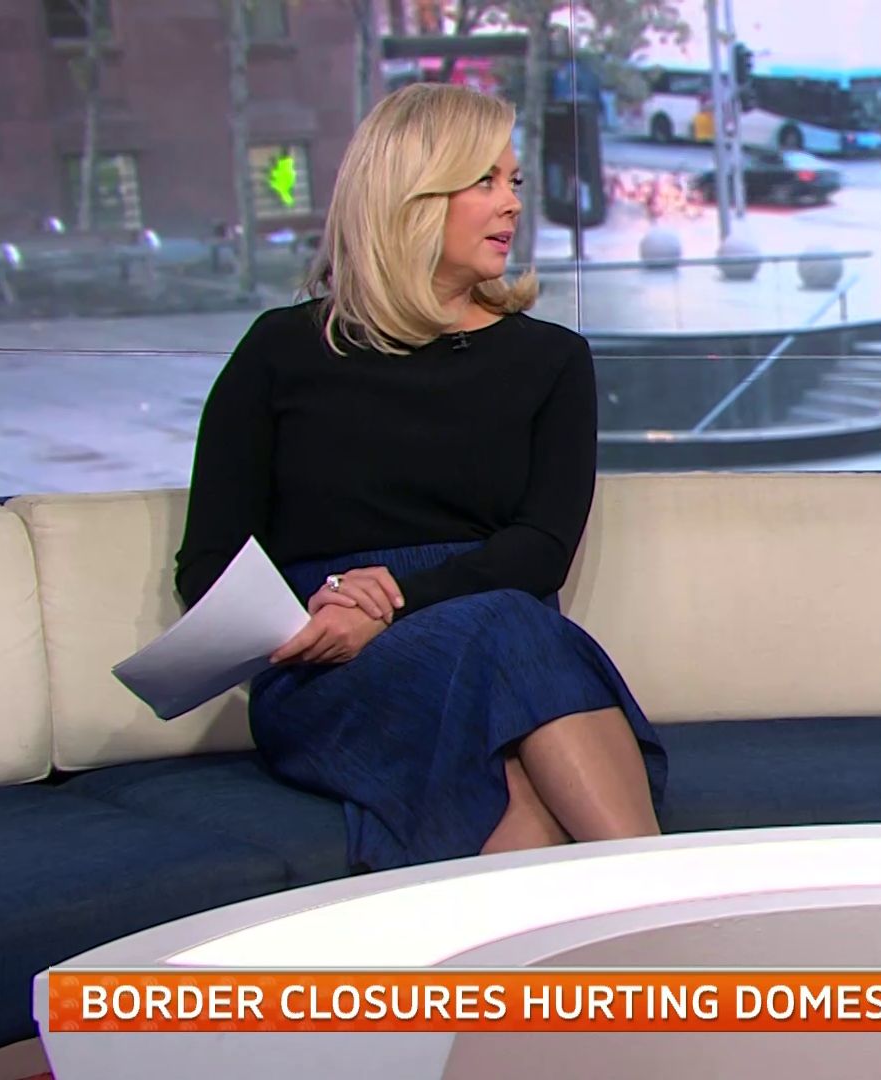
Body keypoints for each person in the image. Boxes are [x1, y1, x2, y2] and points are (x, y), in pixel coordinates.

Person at [174, 83, 667, 873]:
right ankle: (662, 911)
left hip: (495, 631)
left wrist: (396, 600)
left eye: (514, 181)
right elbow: (208, 563)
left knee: (515, 721)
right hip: (333, 664)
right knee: (514, 643)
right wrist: (319, 614)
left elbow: (540, 549)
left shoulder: (550, 360)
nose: (512, 204)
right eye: (485, 181)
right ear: (412, 194)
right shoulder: (281, 351)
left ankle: (620, 914)